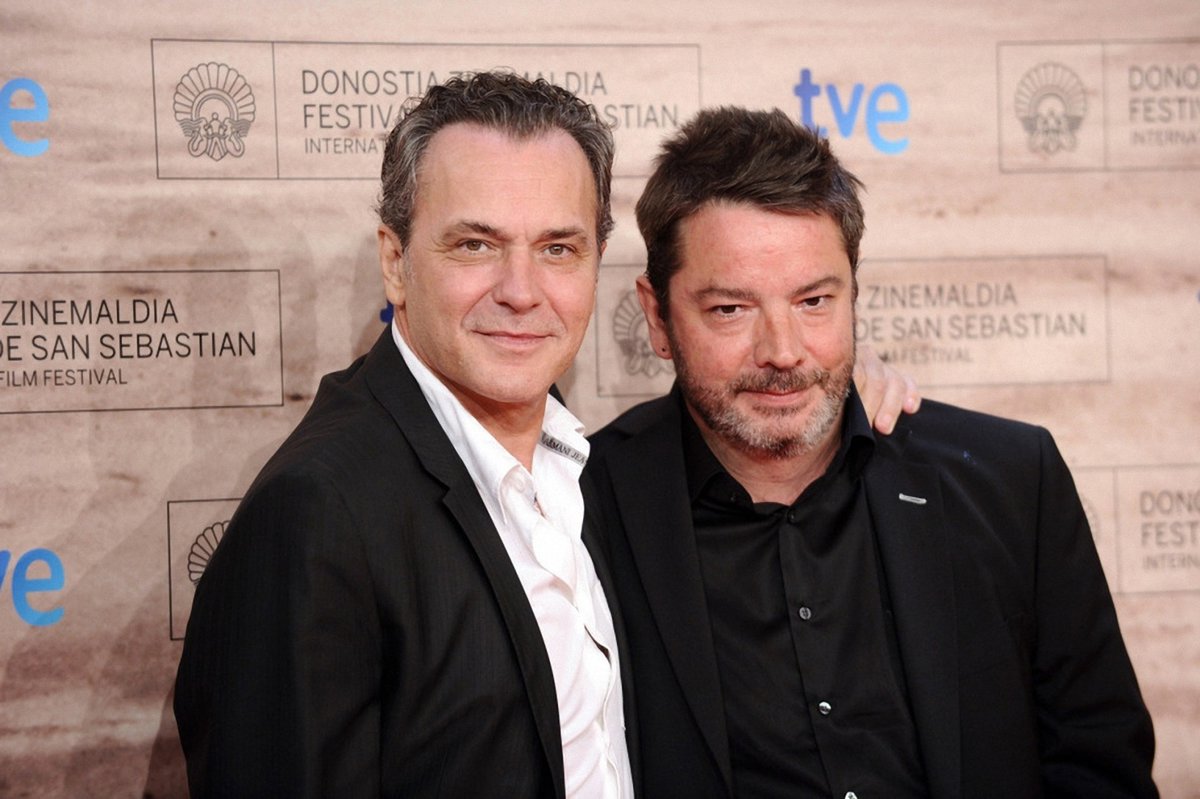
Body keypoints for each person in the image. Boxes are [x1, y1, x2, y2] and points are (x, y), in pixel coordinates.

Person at [173, 72, 916, 797]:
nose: (521, 291)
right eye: (475, 245)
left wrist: (817, 379)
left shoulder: (577, 468)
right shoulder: (318, 511)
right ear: (396, 263)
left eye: (558, 248)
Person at [585, 107, 1157, 798]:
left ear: (854, 294)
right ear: (657, 317)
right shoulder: (582, 510)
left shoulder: (1011, 480)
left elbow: (1103, 766)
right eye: (730, 309)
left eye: (814, 301)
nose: (783, 351)